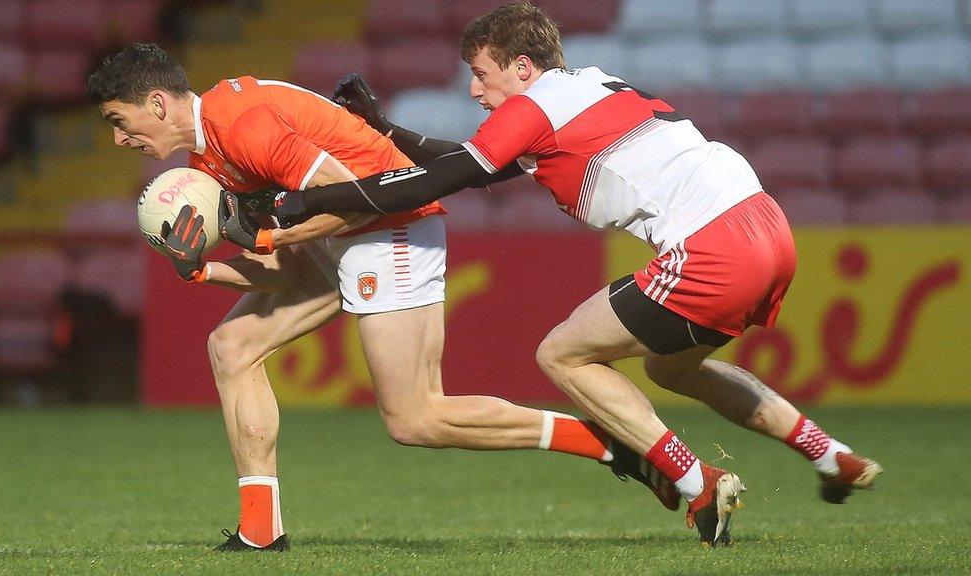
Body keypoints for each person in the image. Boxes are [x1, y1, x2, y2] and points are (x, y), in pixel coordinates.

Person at [270, 1, 883, 546]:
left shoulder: (536, 105)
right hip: (767, 227)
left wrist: (318, 200)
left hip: (712, 246)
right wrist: (385, 129)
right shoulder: (587, 90)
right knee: (672, 368)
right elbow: (475, 166)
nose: (477, 93)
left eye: (482, 75)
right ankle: (830, 455)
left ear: (523, 68)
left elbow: (444, 177)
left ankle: (696, 481)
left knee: (563, 355)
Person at [86, 43, 678, 552]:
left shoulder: (242, 126)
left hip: (390, 223)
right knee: (232, 346)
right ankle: (260, 530)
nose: (119, 138)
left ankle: (607, 443)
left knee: (417, 418)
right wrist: (202, 273)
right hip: (344, 236)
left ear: (157, 104)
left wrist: (261, 233)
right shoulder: (210, 152)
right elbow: (283, 270)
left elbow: (346, 195)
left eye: (120, 119)